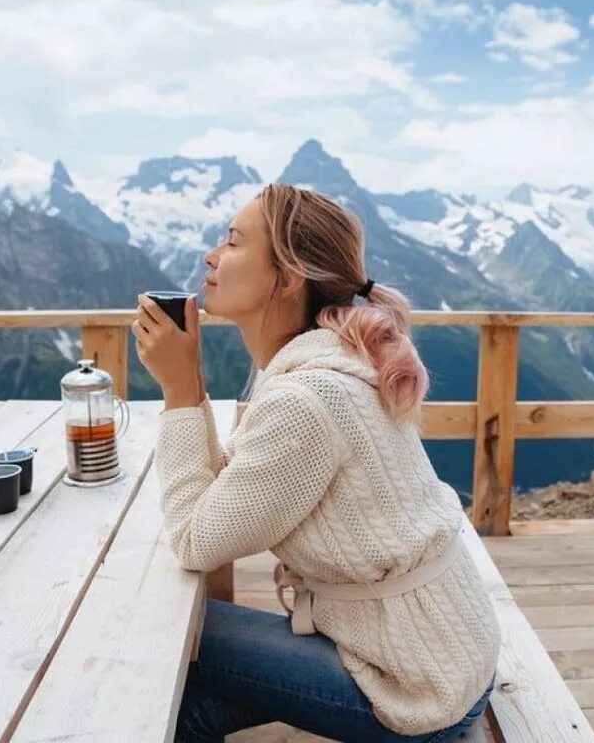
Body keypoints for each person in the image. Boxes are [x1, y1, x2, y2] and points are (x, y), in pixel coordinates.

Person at [132, 183, 501, 742]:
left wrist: (180, 391)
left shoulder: (306, 400)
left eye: (233, 242)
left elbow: (193, 540)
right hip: (444, 649)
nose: (210, 256)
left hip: (416, 685)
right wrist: (191, 385)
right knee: (186, 706)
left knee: (159, 625)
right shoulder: (329, 361)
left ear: (288, 275)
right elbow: (230, 484)